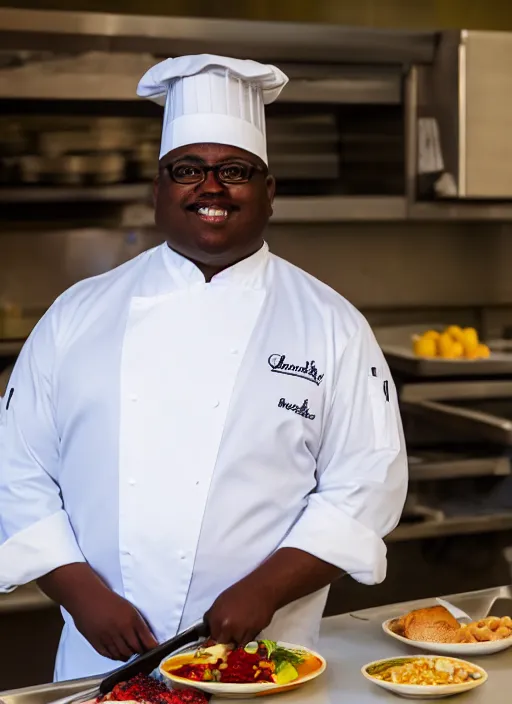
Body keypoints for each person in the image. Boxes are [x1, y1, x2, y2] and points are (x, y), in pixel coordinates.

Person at [0, 55, 408, 681]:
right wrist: (82, 594)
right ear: (158, 191)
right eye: (187, 170)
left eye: (234, 171)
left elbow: (367, 483)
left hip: (266, 661)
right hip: (101, 664)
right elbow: (17, 467)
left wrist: (265, 592)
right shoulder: (76, 315)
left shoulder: (331, 324)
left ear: (269, 192)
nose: (210, 187)